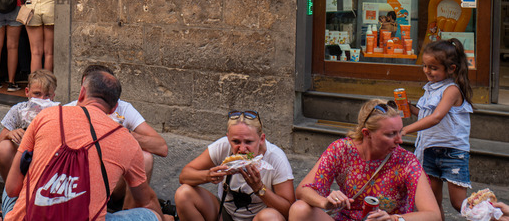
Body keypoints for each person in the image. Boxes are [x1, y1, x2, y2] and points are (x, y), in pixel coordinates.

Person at [4, 66, 163, 221]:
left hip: (29, 216)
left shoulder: (46, 116)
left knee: (12, 195)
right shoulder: (126, 139)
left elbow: (12, 189)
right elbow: (145, 201)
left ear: (82, 93)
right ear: (114, 107)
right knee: (152, 216)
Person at [290, 99, 440, 221]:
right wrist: (325, 202)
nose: (399, 140)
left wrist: (394, 218)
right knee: (300, 210)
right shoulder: (342, 150)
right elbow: (303, 190)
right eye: (390, 134)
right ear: (367, 134)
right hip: (346, 219)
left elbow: (433, 215)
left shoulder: (406, 161)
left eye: (400, 132)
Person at [64, 65, 169, 210]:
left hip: (115, 183)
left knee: (145, 157)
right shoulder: (66, 111)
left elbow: (161, 147)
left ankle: (128, 212)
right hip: (79, 182)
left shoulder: (123, 109)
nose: (100, 95)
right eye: (96, 88)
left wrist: (123, 133)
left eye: (104, 91)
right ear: (83, 90)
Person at [174, 110, 294, 221]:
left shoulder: (275, 157)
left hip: (259, 217)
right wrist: (208, 175)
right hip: (224, 213)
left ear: (261, 139)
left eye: (249, 142)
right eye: (236, 142)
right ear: (228, 138)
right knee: (183, 194)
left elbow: (289, 210)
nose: (242, 149)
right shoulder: (222, 147)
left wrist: (259, 188)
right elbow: (184, 176)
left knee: (270, 217)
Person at [402, 38, 473, 218]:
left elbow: (436, 117)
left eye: (433, 68)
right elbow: (428, 117)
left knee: (459, 204)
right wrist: (409, 108)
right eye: (425, 66)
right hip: (429, 150)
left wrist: (404, 130)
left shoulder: (452, 90)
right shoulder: (431, 89)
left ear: (451, 69)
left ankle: (496, 213)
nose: (427, 71)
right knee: (432, 203)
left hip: (453, 153)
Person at [0, 69, 57, 181]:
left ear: (53, 97)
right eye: (37, 94)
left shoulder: (57, 113)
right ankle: (11, 192)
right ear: (27, 92)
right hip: (22, 160)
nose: (41, 100)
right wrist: (8, 135)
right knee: (4, 148)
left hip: (46, 163)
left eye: (47, 96)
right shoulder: (18, 110)